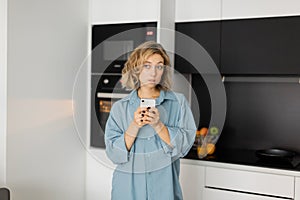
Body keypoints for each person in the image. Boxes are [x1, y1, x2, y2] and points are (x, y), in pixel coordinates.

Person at [105, 41, 196, 200]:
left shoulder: (178, 103)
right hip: (127, 191)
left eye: (159, 66)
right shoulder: (120, 107)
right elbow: (114, 154)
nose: (153, 72)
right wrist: (134, 126)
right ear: (136, 68)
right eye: (147, 65)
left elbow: (184, 147)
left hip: (164, 191)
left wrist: (158, 125)